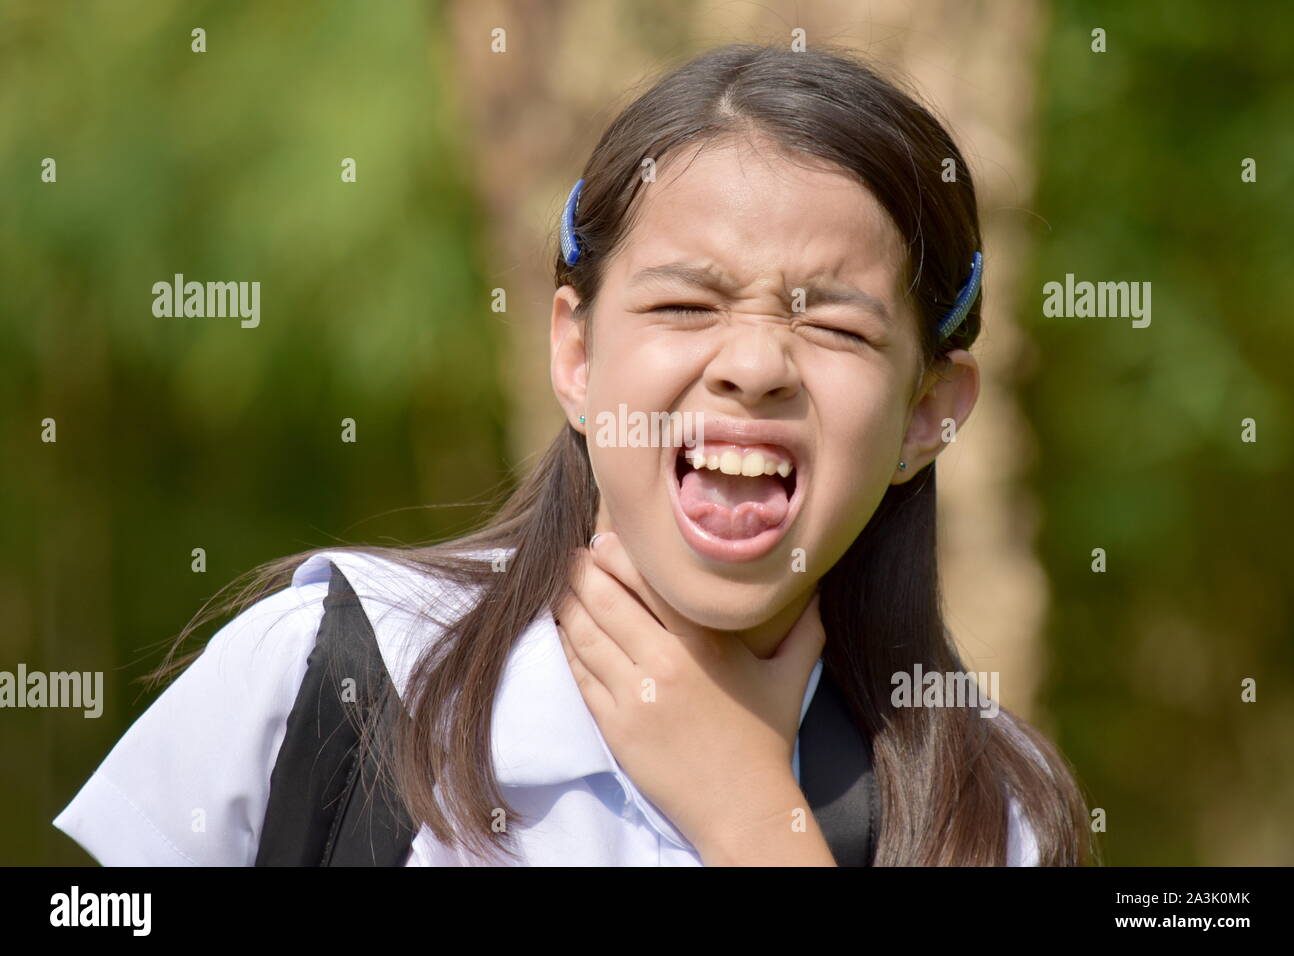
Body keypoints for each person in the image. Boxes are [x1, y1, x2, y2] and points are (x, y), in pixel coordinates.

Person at [53, 42, 1093, 866]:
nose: (754, 363)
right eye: (687, 302)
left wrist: (753, 821)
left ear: (928, 411)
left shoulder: (989, 811)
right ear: (575, 351)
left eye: (836, 326)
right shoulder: (332, 674)